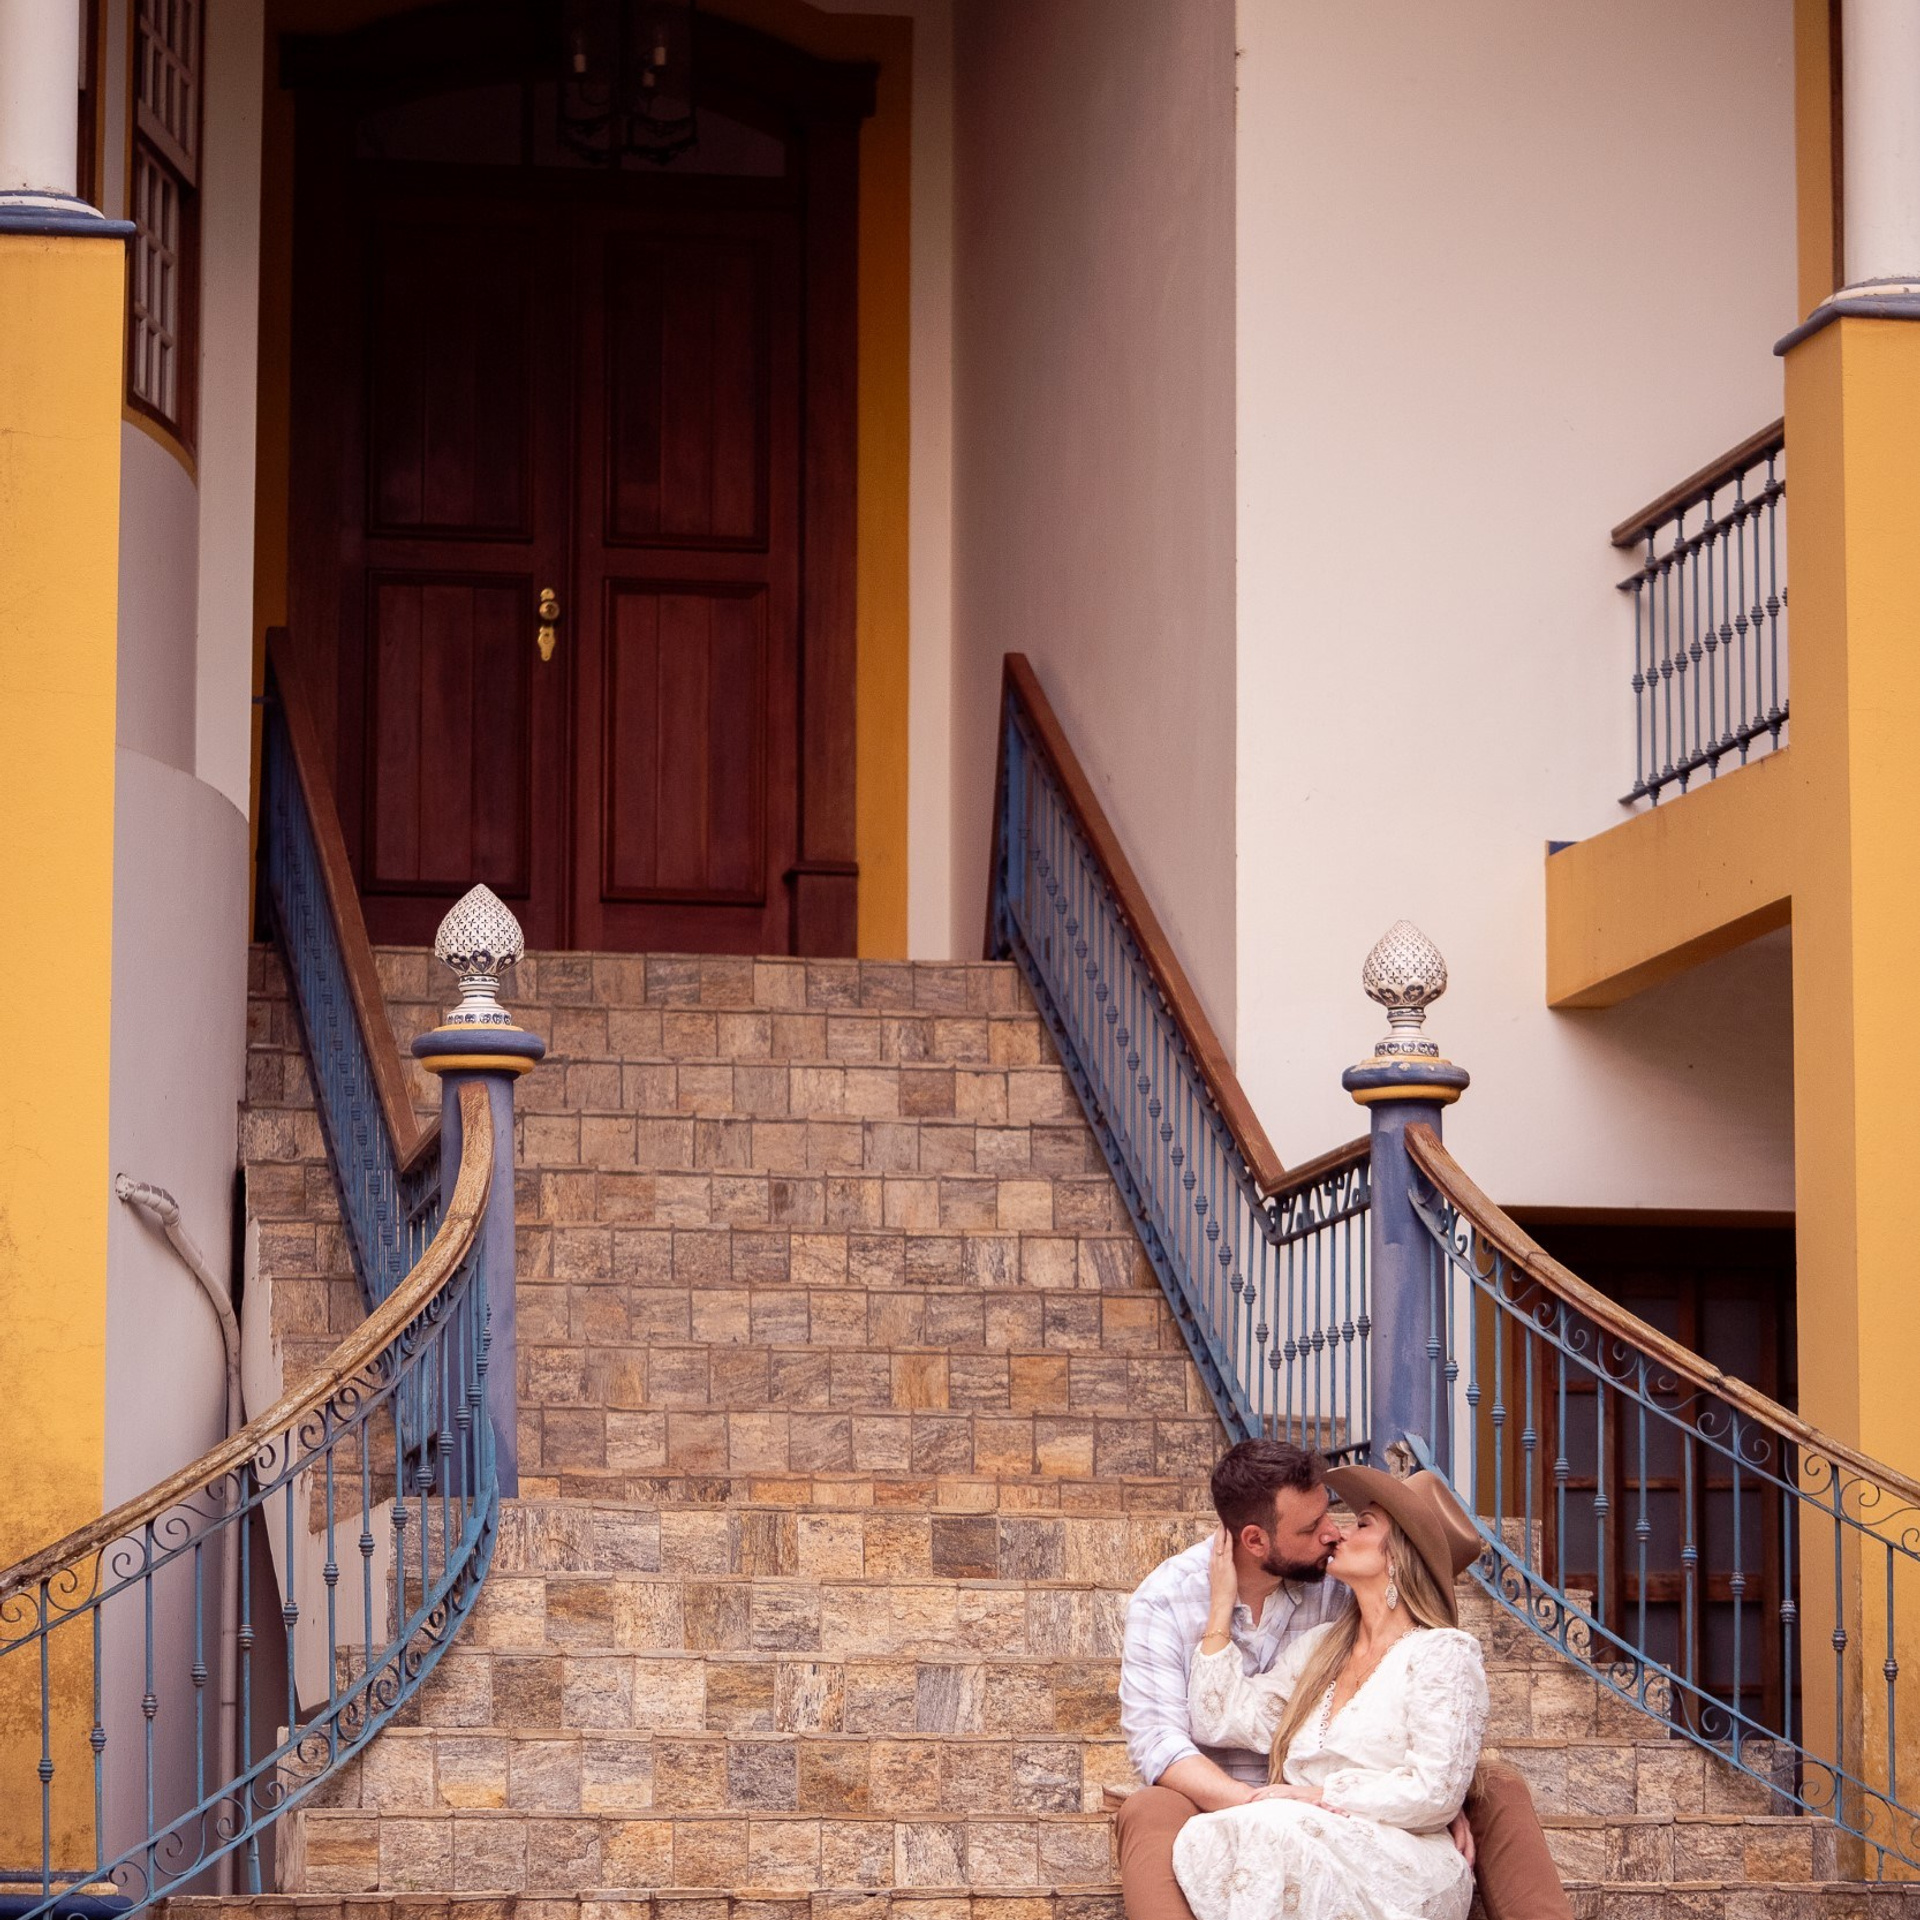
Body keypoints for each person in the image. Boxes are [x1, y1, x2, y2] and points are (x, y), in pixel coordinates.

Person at [1117, 1440, 1572, 1920]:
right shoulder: (1169, 1601)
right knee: (1149, 1810)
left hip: (1327, 1810)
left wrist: (1436, 1797)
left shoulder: (1337, 1586)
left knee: (1495, 1785)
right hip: (1223, 1793)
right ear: (1255, 1541)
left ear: (1395, 1557)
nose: (1334, 1534)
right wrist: (1219, 1614)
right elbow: (1162, 1742)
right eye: (1314, 1527)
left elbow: (1430, 1723)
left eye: (1348, 1521)